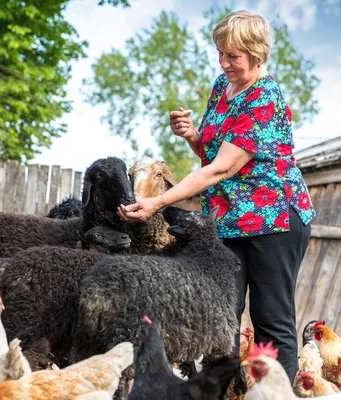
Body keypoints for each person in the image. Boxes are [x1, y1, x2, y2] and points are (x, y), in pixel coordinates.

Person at [118, 10, 316, 383]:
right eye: (220, 53)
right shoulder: (222, 87)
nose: (224, 63)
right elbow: (212, 156)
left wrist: (159, 202)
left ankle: (276, 393)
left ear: (257, 56)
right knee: (220, 315)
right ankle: (225, 391)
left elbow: (222, 169)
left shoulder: (264, 98)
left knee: (271, 321)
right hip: (229, 220)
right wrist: (193, 134)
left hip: (272, 220)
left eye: (233, 56)